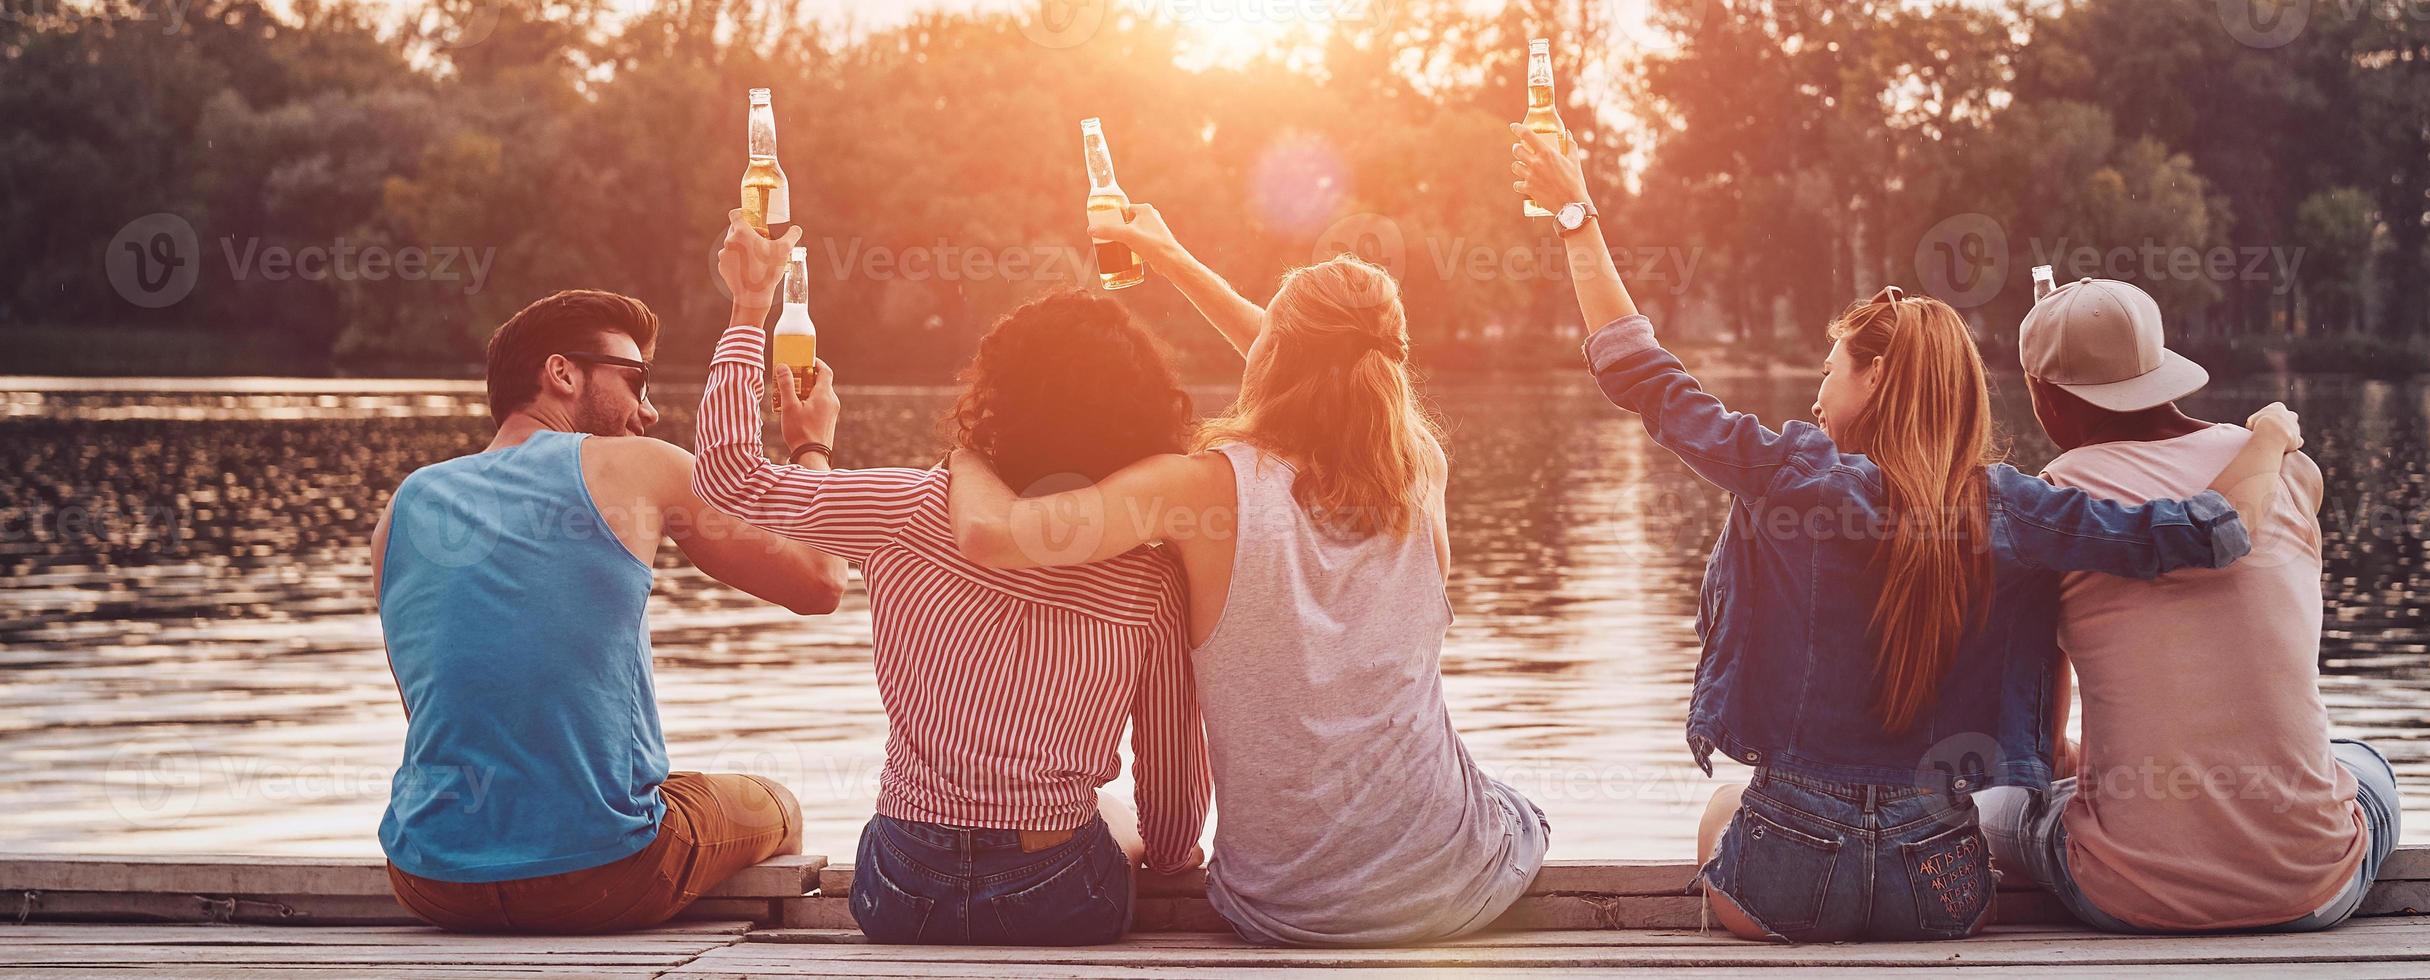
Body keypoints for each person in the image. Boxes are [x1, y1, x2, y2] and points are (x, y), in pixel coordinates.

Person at [1510, 122, 2308, 942]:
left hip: (1782, 880)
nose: (1818, 397)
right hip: (1942, 894)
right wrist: (2271, 435)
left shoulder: (1787, 472)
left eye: (1830, 372)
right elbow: (2212, 531)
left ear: (1877, 374)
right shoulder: (2020, 508)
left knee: (1722, 808)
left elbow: (1641, 373)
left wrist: (1577, 213)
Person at [946, 205, 1549, 947]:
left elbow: (990, 533)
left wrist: (973, 445)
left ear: (1275, 355)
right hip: (1452, 883)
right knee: (1511, 809)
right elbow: (1318, 358)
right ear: (1389, 359)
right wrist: (1168, 255)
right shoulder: (1421, 470)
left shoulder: (1195, 489)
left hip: (1285, 907)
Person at [693, 213, 1209, 947]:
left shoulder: (907, 507)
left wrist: (750, 307)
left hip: (901, 886)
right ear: (1147, 420)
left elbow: (727, 477)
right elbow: (1172, 796)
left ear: (995, 398)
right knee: (1115, 816)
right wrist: (1171, 854)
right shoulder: (1150, 577)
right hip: (1056, 891)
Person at [373, 288, 846, 934]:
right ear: (561, 373)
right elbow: (821, 582)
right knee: (777, 805)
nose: (648, 411)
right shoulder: (637, 467)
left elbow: (446, 714)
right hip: (605, 878)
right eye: (636, 380)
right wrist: (809, 447)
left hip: (430, 877)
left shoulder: (406, 506)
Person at [1970, 277, 2400, 934]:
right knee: (2364, 761)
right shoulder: (2289, 471)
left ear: (2045, 400)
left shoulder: (2059, 500)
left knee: (1998, 797)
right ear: (2160, 372)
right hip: (2317, 887)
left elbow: (2043, 745)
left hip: (2125, 896)